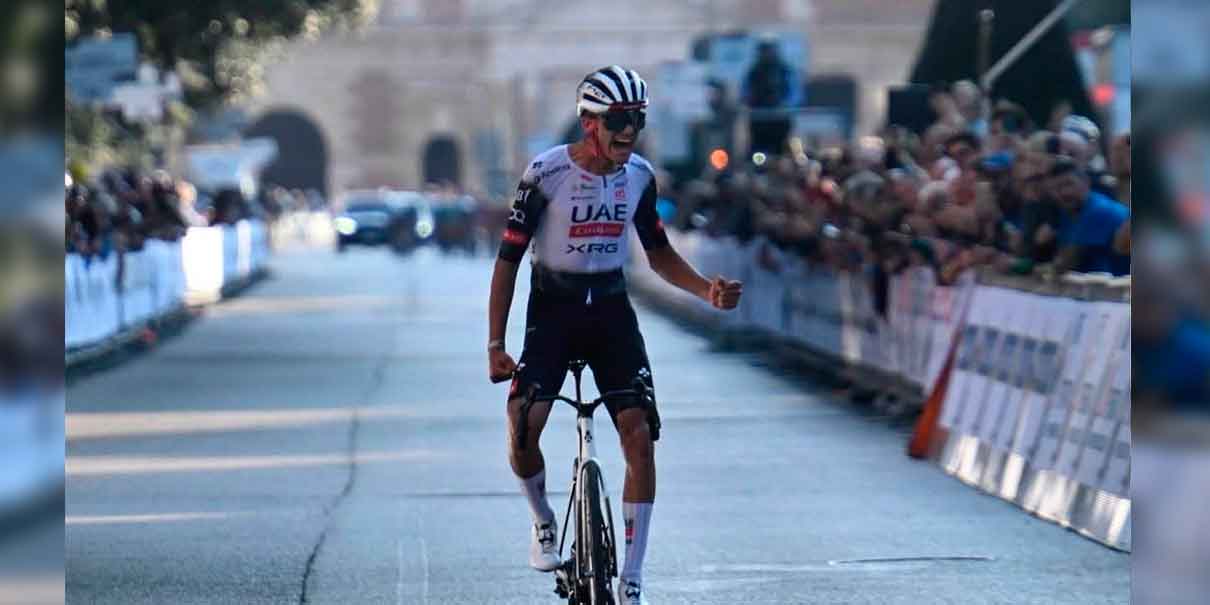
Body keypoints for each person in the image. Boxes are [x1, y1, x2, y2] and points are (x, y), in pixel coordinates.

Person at [486, 65, 744, 605]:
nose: (630, 131)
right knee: (522, 424)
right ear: (589, 123)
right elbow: (508, 261)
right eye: (620, 120)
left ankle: (631, 576)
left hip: (609, 313)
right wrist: (496, 345)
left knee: (638, 434)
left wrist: (704, 291)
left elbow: (660, 255)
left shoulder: (640, 177)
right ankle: (542, 520)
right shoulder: (544, 174)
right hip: (552, 314)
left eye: (638, 120)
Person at [1046, 157, 1130, 276]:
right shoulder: (1068, 210)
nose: (1064, 192)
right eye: (1056, 188)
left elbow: (1066, 263)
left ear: (1086, 181)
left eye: (1069, 184)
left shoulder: (1099, 210)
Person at [742, 35, 801, 156]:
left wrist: (785, 105)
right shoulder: (753, 71)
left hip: (780, 121)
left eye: (769, 49)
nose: (766, 53)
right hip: (759, 121)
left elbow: (795, 94)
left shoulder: (785, 70)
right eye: (764, 49)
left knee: (781, 152)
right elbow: (745, 92)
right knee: (757, 155)